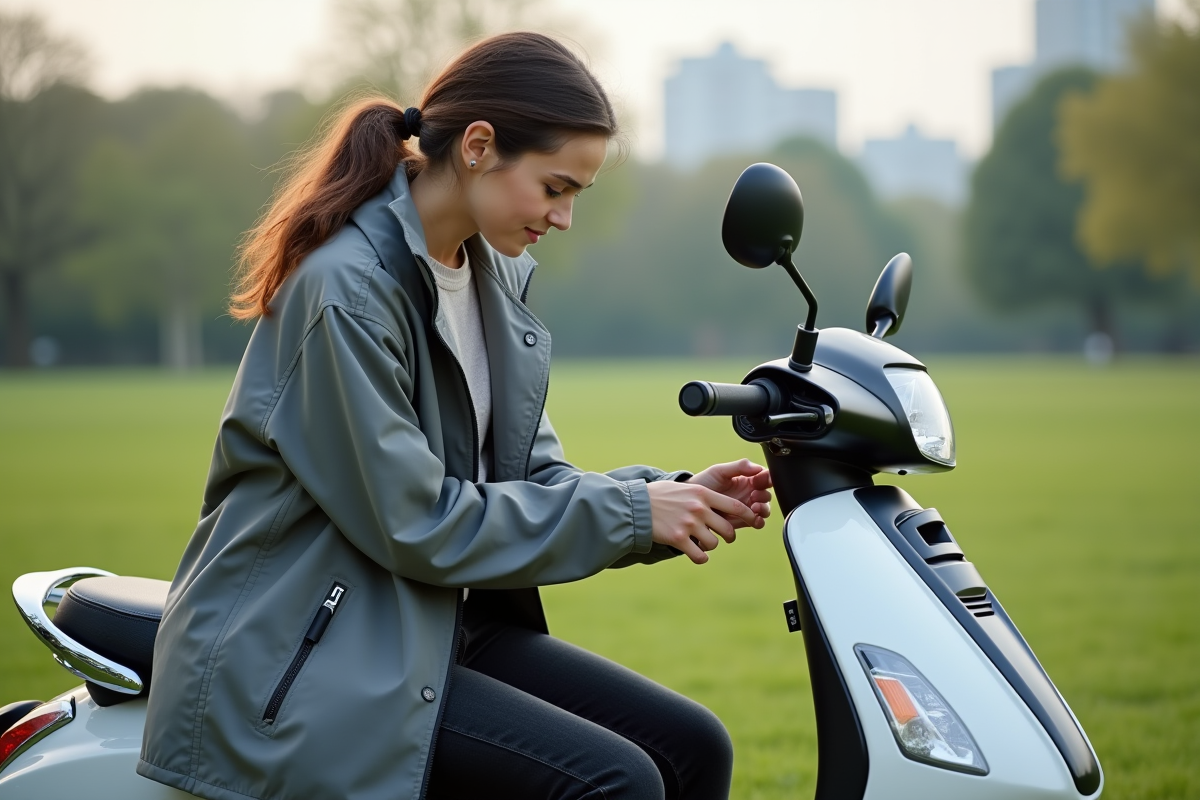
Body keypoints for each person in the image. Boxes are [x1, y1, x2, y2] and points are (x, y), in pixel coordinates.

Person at [138, 32, 773, 800]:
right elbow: (418, 521)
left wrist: (670, 496)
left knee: (691, 746)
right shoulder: (346, 293)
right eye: (555, 187)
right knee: (619, 782)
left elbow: (529, 476)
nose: (565, 217)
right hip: (314, 648)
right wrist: (637, 512)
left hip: (432, 622)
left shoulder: (487, 277)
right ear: (478, 146)